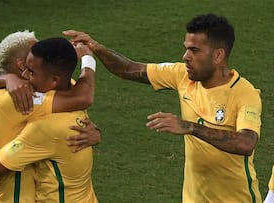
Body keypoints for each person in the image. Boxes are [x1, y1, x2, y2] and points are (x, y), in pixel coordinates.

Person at [64, 13, 262, 202]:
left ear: (218, 55)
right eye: (186, 48)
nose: (185, 56)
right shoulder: (182, 75)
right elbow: (129, 69)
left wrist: (189, 127)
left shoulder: (244, 94)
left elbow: (246, 143)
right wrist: (96, 48)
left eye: (194, 50)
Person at [0, 31, 100, 202]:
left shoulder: (61, 92)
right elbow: (83, 98)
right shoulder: (19, 100)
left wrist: (97, 132)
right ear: (21, 65)